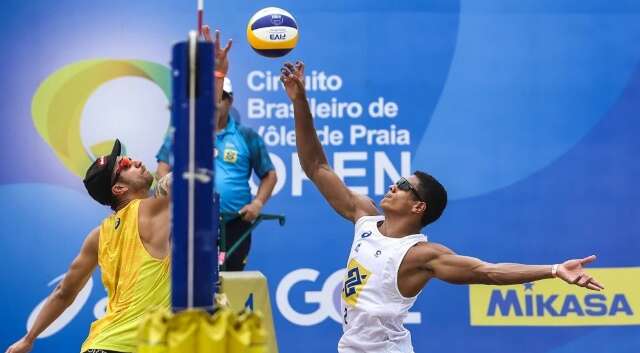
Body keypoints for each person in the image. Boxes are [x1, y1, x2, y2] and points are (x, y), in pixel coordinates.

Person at [279, 61, 604, 353]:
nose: (393, 186)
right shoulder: (363, 216)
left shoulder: (421, 255)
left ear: (418, 207)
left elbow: (486, 271)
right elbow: (316, 165)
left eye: (403, 186)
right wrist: (300, 102)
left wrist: (552, 270)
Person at [5, 140, 171, 353]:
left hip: (100, 345)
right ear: (119, 188)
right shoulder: (150, 211)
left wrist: (28, 339)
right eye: (126, 165)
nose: (136, 162)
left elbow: (64, 292)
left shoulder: (98, 236)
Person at [156, 27, 277, 271]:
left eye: (220, 97)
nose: (214, 102)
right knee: (191, 283)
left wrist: (257, 204)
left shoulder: (246, 136)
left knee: (229, 283)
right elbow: (162, 168)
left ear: (229, 101)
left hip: (234, 225)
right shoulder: (184, 131)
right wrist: (173, 194)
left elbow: (269, 174)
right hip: (191, 220)